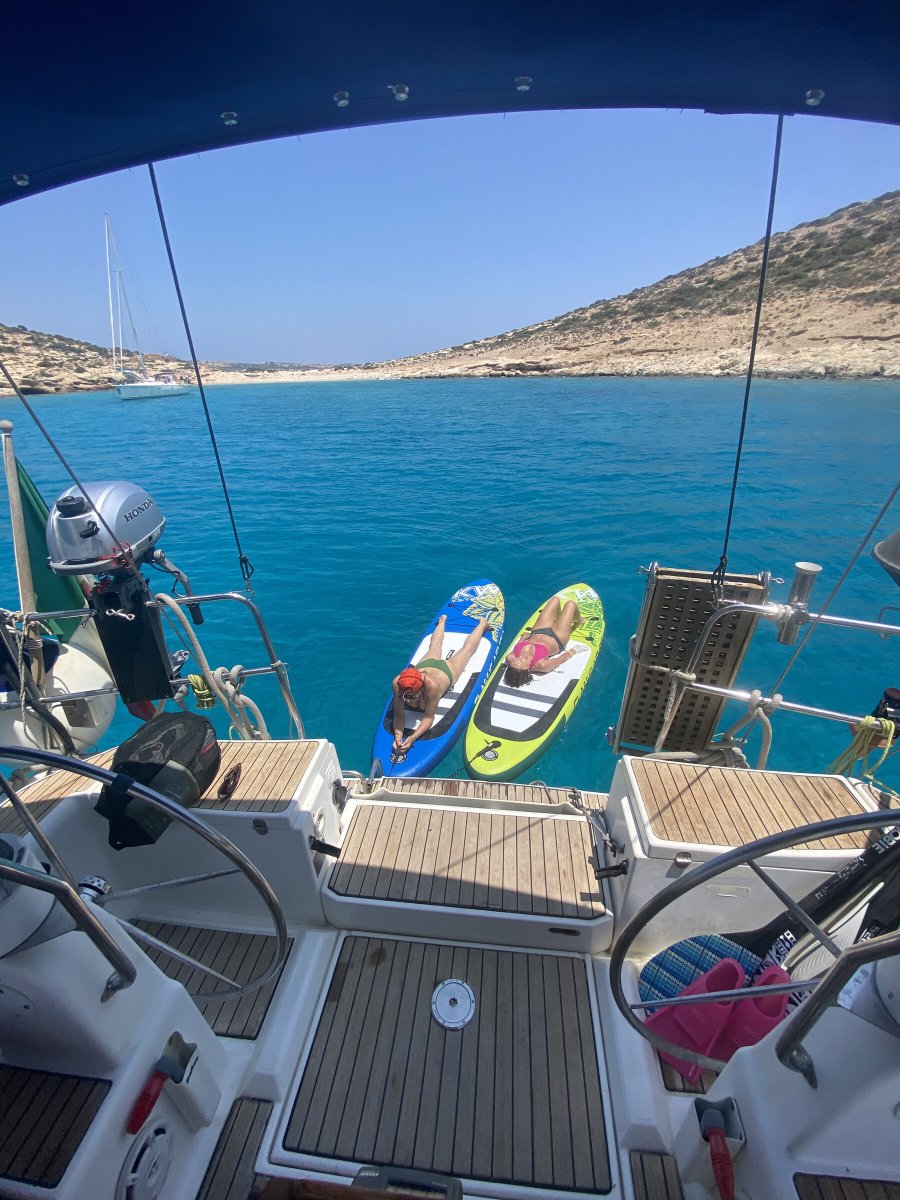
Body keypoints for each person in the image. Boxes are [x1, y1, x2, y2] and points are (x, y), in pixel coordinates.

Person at [392, 614, 489, 753]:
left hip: (445, 671)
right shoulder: (397, 683)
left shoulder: (431, 686)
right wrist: (398, 736)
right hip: (424, 666)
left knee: (466, 651)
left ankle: (482, 624)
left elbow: (428, 717)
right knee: (434, 646)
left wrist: (412, 738)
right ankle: (442, 621)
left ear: (421, 687)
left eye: (411, 696)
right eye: (406, 695)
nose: (407, 698)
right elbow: (398, 715)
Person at [503, 595, 587, 688]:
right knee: (570, 604)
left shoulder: (510, 658)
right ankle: (578, 620)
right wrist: (574, 651)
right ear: (527, 670)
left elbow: (516, 647)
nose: (520, 658)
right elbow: (560, 659)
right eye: (522, 661)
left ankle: (560, 618)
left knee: (555, 600)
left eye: (516, 660)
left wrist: (522, 638)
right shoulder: (542, 665)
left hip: (538, 631)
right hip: (558, 637)